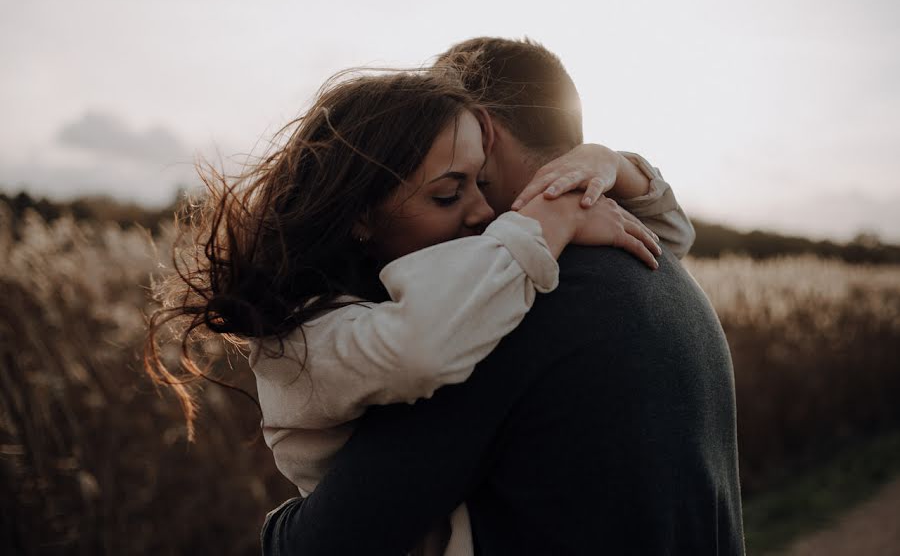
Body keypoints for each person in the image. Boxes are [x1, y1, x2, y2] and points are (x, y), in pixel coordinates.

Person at [143, 69, 692, 554]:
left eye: (482, 182)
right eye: (449, 194)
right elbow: (420, 347)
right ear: (359, 212)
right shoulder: (305, 338)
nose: (484, 212)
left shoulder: (430, 267)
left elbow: (661, 241)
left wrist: (608, 164)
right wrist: (546, 222)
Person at [260, 38, 745, 555]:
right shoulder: (661, 271)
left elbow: (326, 542)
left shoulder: (501, 309)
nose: (475, 215)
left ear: (481, 131)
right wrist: (610, 170)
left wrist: (279, 528)